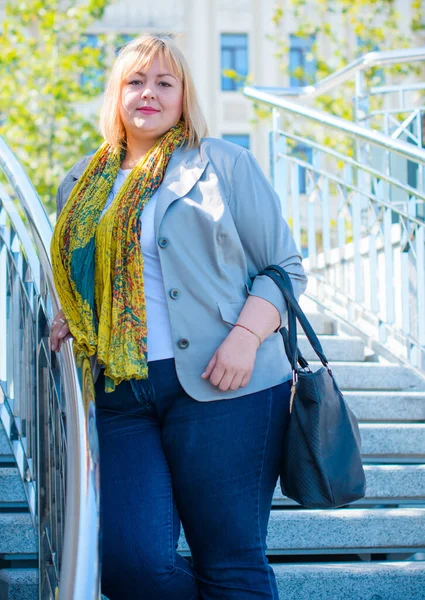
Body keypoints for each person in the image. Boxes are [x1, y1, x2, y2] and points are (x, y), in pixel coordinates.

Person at [50, 34, 307, 600]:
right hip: (122, 394)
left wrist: (245, 337)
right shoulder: (80, 182)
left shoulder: (223, 163)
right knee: (128, 564)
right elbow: (78, 274)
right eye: (135, 81)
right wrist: (76, 315)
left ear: (184, 95)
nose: (149, 93)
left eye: (165, 82)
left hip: (227, 386)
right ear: (116, 95)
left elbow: (284, 268)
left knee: (231, 561)